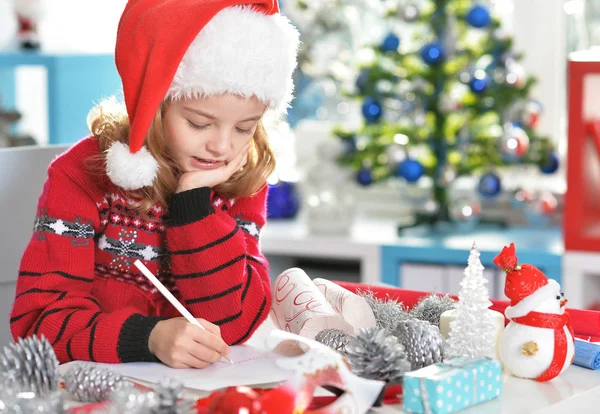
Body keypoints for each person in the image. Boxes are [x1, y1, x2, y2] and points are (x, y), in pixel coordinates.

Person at [9, 0, 299, 369]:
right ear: (154, 104)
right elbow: (38, 324)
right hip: (101, 388)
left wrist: (193, 205)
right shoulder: (82, 175)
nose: (223, 147)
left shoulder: (240, 178)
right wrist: (148, 337)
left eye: (245, 127)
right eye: (199, 123)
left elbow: (233, 325)